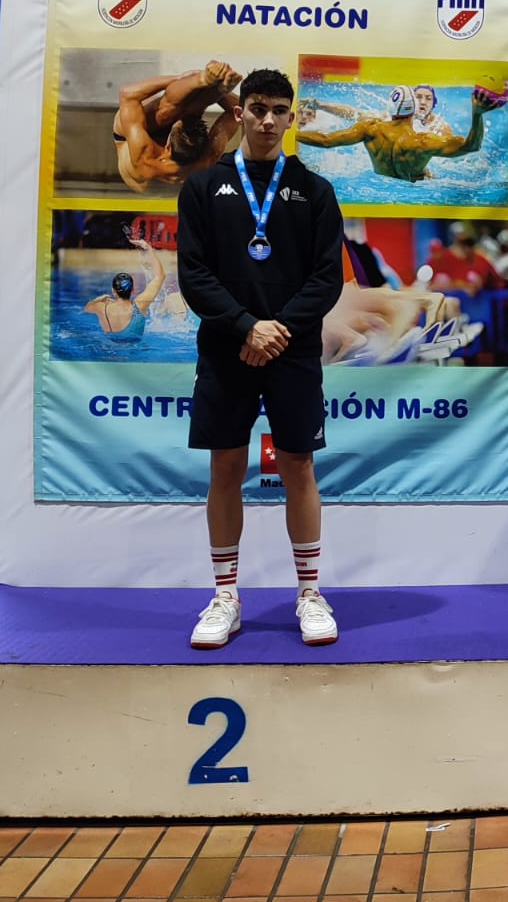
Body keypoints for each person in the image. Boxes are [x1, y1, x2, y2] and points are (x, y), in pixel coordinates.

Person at [177, 68, 344, 649]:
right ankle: (225, 596)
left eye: (278, 110)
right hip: (227, 349)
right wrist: (247, 326)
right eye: (257, 108)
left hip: (291, 352)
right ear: (239, 113)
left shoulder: (315, 192)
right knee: (226, 467)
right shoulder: (203, 188)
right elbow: (194, 275)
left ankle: (310, 593)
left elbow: (326, 279)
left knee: (298, 466)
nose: (268, 120)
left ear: (291, 118)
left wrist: (277, 330)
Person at [295, 80, 508, 182]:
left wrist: (289, 132)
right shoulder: (425, 141)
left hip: (376, 182)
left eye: (428, 98)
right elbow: (471, 146)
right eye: (419, 97)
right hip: (418, 187)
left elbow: (325, 140)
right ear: (414, 107)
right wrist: (477, 114)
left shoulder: (371, 128)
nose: (423, 101)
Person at [112, 60, 244, 192]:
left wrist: (182, 78)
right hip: (171, 171)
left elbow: (127, 94)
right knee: (191, 111)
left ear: (168, 145)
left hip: (129, 142)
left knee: (167, 111)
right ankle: (213, 87)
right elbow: (237, 112)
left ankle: (203, 80)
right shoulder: (206, 159)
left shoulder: (145, 159)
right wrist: (220, 91)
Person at [83, 237, 168, 341]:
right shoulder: (139, 306)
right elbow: (160, 276)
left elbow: (87, 308)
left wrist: (99, 299)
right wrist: (148, 248)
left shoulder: (102, 308)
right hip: (136, 350)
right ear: (133, 289)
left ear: (113, 291)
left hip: (110, 349)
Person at [426, 222, 505, 293]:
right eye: (461, 243)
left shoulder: (479, 260)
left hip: (491, 301)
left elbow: (473, 289)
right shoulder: (440, 259)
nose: (465, 247)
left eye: (469, 243)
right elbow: (429, 286)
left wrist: (455, 286)